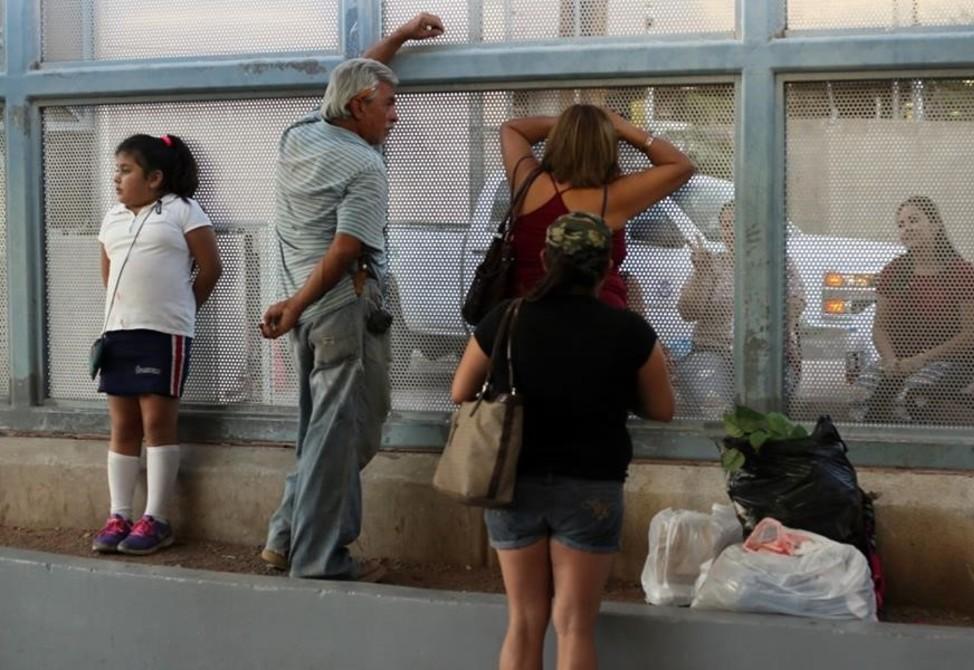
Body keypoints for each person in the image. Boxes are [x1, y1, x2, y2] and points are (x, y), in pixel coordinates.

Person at [257, 12, 445, 580]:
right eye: (388, 106)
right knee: (348, 436)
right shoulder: (364, 165)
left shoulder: (301, 134)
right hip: (341, 305)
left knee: (323, 432)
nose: (395, 116)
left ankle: (286, 535)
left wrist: (400, 37)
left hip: (306, 306)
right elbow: (343, 250)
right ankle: (319, 558)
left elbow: (352, 76)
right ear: (361, 106)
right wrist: (295, 306)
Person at [450, 213, 674, 670]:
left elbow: (460, 392)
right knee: (574, 625)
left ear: (544, 258)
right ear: (605, 268)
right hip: (591, 486)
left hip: (512, 482)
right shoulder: (629, 331)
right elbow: (662, 408)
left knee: (525, 621)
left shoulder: (506, 318)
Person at [90, 133, 223, 556]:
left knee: (156, 424)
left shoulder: (183, 211)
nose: (117, 178)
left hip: (164, 335)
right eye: (117, 170)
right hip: (119, 332)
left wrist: (182, 311)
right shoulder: (112, 218)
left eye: (126, 170)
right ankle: (119, 514)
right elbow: (109, 276)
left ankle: (157, 518)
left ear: (155, 178)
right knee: (123, 425)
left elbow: (211, 267)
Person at [500, 104, 695, 308]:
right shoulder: (615, 197)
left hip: (531, 319)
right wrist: (623, 128)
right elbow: (681, 166)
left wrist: (573, 124)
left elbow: (512, 129)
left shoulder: (528, 182)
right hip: (602, 319)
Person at [853, 196, 974, 423]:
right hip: (899, 361)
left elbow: (970, 335)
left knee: (911, 397)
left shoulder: (960, 272)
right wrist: (891, 361)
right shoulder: (893, 272)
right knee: (861, 394)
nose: (906, 229)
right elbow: (879, 329)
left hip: (950, 363)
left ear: (935, 225)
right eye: (901, 225)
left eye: (913, 221)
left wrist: (922, 359)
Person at [675, 201, 805, 413]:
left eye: (738, 224)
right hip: (714, 352)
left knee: (762, 413)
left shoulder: (779, 264)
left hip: (766, 352)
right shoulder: (712, 264)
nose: (732, 231)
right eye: (726, 225)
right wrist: (702, 273)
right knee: (717, 409)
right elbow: (688, 312)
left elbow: (795, 306)